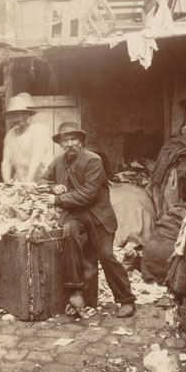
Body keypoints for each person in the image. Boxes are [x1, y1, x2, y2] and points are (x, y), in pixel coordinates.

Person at [39, 122, 136, 318]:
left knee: (106, 256)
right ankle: (80, 295)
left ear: (81, 141)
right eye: (65, 140)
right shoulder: (58, 162)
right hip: (75, 215)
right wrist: (53, 187)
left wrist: (57, 199)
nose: (70, 144)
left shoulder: (93, 160)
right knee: (72, 241)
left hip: (98, 216)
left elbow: (88, 194)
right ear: (60, 144)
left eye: (74, 139)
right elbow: (42, 181)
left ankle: (126, 300)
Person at [1, 95, 53, 183]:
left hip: (41, 179)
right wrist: (7, 182)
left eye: (19, 114)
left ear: (27, 114)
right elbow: (6, 162)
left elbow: (36, 160)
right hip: (20, 179)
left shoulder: (39, 130)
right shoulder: (10, 134)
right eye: (12, 115)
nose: (15, 119)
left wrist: (27, 184)